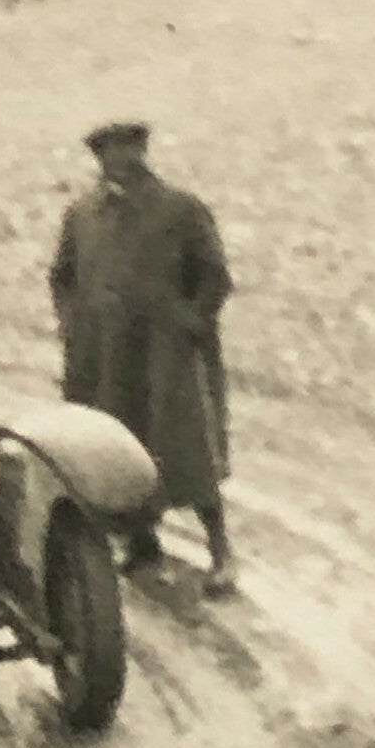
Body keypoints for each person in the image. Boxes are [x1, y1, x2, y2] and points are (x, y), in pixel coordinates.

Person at [48, 120, 237, 595]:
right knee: (117, 444)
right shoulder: (82, 215)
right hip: (104, 356)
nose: (122, 159)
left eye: (131, 148)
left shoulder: (181, 209)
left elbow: (215, 276)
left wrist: (191, 323)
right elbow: (62, 277)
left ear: (144, 151)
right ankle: (141, 543)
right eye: (110, 151)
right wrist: (74, 329)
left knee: (186, 450)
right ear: (98, 158)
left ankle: (221, 553)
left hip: (165, 358)